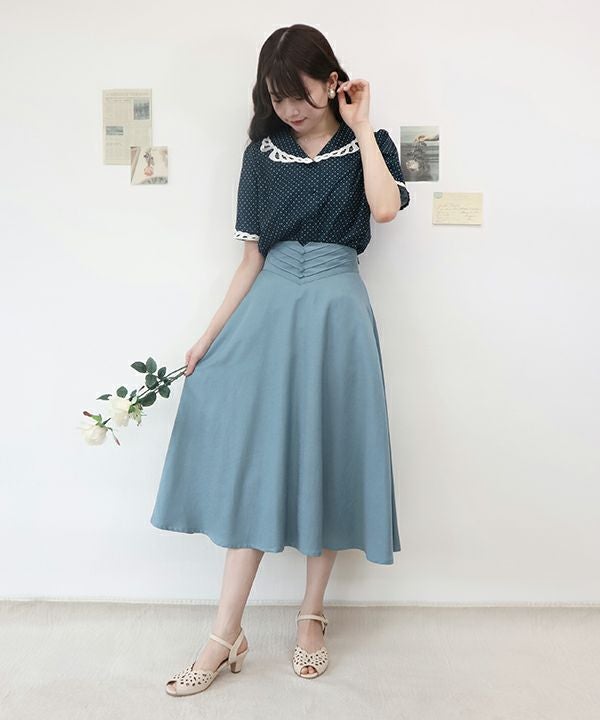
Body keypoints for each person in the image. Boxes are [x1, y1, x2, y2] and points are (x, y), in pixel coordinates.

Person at [150, 23, 410, 695]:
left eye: (300, 93)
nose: (289, 109)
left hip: (336, 312)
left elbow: (384, 210)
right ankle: (224, 633)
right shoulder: (261, 156)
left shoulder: (371, 144)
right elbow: (251, 260)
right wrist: (208, 337)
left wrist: (363, 123)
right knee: (258, 462)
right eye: (276, 96)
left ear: (332, 81)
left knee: (328, 453)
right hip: (269, 309)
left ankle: (310, 618)